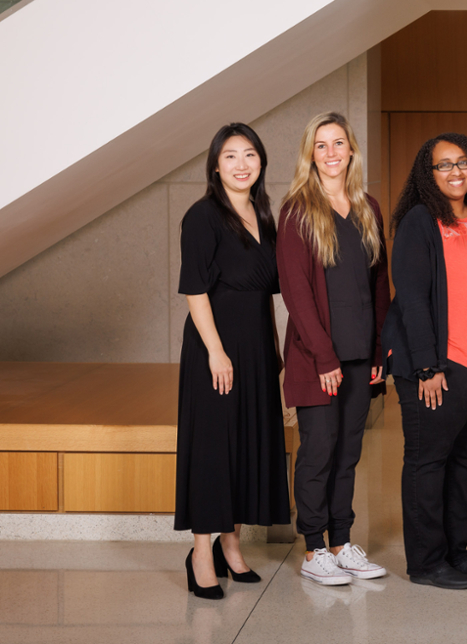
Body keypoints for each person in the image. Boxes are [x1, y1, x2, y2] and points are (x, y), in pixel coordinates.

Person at [382, 132, 467, 590]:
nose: (455, 172)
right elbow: (412, 298)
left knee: (463, 459)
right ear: (428, 173)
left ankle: (457, 550)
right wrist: (427, 368)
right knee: (427, 461)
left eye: (463, 162)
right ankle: (426, 561)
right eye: (443, 165)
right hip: (440, 366)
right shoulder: (421, 221)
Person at [175, 123, 290, 600]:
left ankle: (231, 546)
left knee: (244, 446)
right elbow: (195, 289)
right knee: (213, 450)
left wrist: (276, 351)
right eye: (230, 156)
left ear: (261, 162)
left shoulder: (264, 216)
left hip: (258, 348)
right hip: (215, 348)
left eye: (250, 155)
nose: (241, 165)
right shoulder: (202, 216)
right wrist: (216, 351)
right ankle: (201, 553)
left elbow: (269, 291)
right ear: (215, 165)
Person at [276, 112, 390, 586]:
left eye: (337, 143)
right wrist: (324, 357)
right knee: (318, 451)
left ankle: (342, 543)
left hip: (362, 354)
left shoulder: (368, 207)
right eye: (320, 146)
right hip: (316, 357)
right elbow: (296, 292)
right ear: (310, 154)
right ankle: (314, 549)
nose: (330, 154)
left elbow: (379, 285)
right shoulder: (298, 210)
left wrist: (382, 351)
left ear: (351, 151)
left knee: (348, 452)